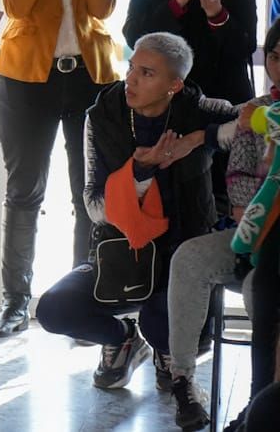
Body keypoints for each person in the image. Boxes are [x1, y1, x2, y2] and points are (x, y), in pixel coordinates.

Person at [35, 32, 237, 393]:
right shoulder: (102, 116)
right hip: (119, 255)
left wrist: (195, 140)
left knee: (163, 324)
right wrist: (141, 173)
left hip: (179, 258)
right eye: (131, 68)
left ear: (174, 85)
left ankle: (164, 349)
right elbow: (95, 207)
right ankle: (123, 339)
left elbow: (257, 122)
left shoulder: (200, 110)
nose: (130, 79)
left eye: (146, 73)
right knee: (54, 310)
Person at [0, 0, 118, 339]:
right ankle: (15, 303)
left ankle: (81, 305)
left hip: (89, 78)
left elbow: (103, 7)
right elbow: (16, 5)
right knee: (23, 192)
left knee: (89, 195)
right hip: (26, 80)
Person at [163, 19, 279, 430]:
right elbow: (240, 186)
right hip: (252, 233)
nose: (279, 65)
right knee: (189, 258)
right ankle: (182, 379)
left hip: (274, 251)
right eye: (275, 56)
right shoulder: (256, 111)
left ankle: (260, 401)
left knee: (259, 289)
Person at [124, 0, 257, 215]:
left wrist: (218, 15)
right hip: (171, 103)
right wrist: (176, 5)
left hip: (225, 102)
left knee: (228, 204)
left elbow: (246, 45)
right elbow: (134, 36)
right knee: (171, 203)